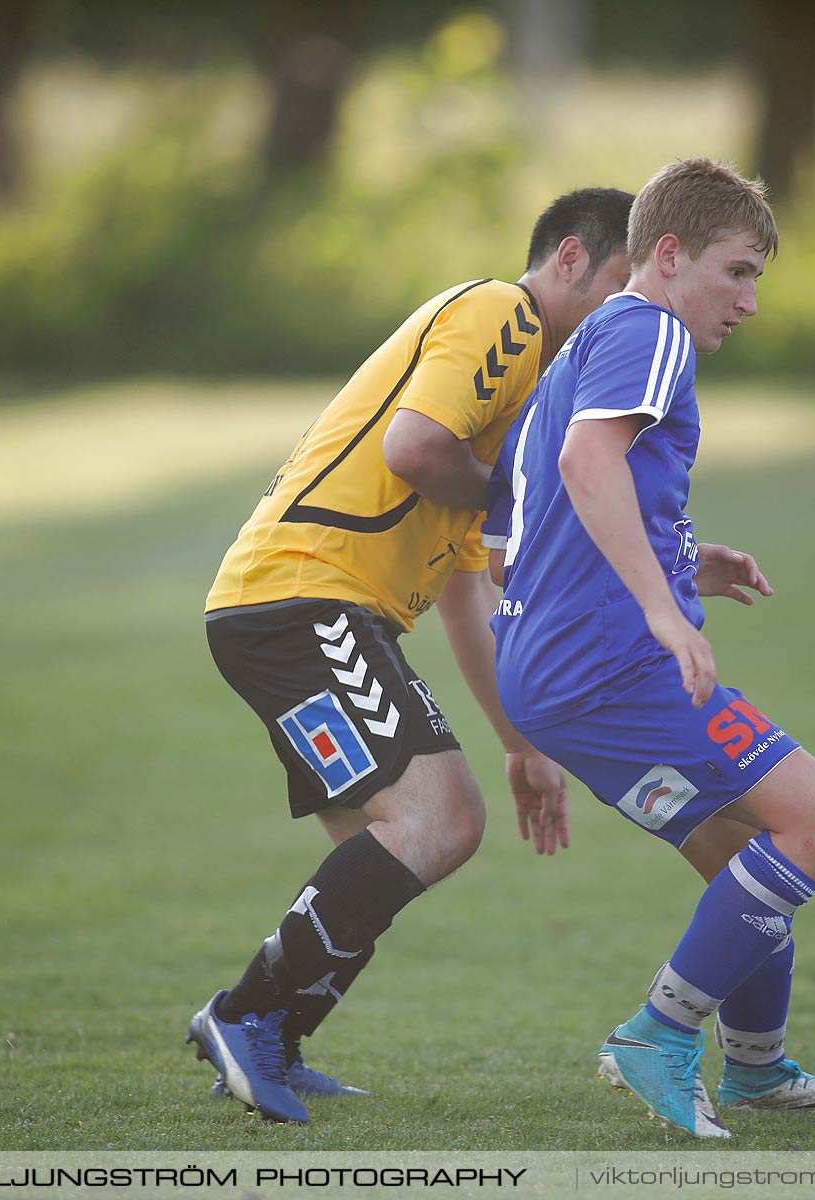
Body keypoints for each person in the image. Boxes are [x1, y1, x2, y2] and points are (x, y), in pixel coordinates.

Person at [188, 188, 634, 1125]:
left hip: (289, 605)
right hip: (307, 595)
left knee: (379, 846)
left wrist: (521, 740)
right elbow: (414, 447)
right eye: (620, 287)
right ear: (566, 261)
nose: (624, 315)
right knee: (440, 817)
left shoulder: (520, 400)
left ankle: (278, 1031)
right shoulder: (501, 316)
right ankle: (244, 1017)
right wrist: (516, 502)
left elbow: (469, 592)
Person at [485, 159, 815, 1138]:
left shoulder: (583, 351)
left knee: (747, 863)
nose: (750, 301)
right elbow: (591, 465)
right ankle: (657, 1036)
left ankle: (756, 1072)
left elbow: (514, 535)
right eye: (741, 271)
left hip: (552, 675)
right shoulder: (653, 330)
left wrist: (680, 564)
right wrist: (660, 613)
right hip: (610, 663)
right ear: (667, 255)